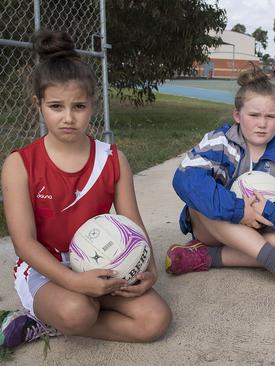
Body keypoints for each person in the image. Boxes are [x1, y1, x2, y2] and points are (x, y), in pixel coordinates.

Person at [0, 30, 171, 348]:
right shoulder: (20, 164)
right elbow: (24, 243)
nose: (68, 118)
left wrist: (149, 270)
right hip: (46, 269)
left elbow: (132, 225)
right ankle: (40, 317)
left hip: (100, 264)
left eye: (78, 106)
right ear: (38, 105)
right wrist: (74, 282)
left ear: (93, 104)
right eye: (55, 106)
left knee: (155, 320)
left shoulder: (113, 159)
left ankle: (61, 320)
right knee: (78, 310)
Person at [166, 66, 275, 298]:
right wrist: (239, 210)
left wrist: (269, 212)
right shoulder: (219, 142)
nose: (262, 124)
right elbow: (185, 179)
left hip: (264, 227)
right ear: (237, 116)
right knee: (200, 203)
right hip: (216, 227)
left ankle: (206, 257)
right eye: (254, 115)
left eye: (270, 116)